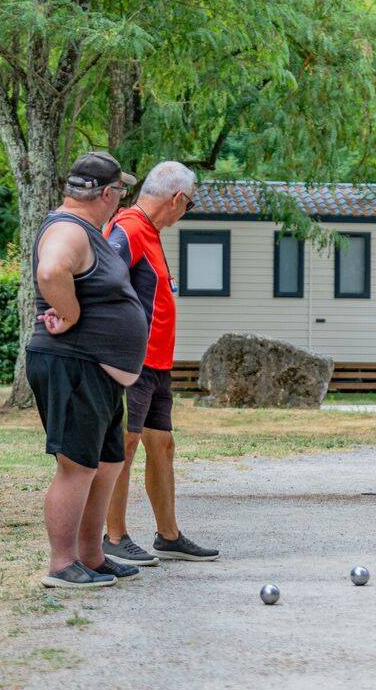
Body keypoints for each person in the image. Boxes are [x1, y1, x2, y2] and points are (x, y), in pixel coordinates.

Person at [28, 151, 149, 588]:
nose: (121, 199)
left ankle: (92, 556)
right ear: (107, 192)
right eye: (120, 190)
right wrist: (71, 312)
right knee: (77, 464)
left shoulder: (86, 228)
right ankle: (63, 565)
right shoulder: (68, 228)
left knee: (106, 462)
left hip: (97, 369)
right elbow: (52, 269)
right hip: (74, 362)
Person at [102, 162, 219, 565]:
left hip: (156, 365)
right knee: (125, 444)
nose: (184, 213)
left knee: (161, 445)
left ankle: (168, 535)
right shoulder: (130, 228)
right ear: (177, 199)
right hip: (131, 362)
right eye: (188, 205)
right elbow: (101, 280)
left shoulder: (149, 232)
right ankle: (113, 536)